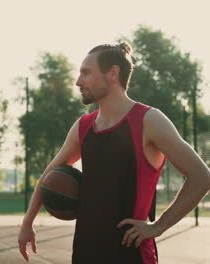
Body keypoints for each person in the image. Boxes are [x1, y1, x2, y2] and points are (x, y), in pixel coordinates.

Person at [17, 42, 210, 264]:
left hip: (131, 255)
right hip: (85, 253)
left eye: (86, 73)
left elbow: (201, 176)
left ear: (113, 73)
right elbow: (48, 177)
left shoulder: (149, 120)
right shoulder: (83, 127)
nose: (78, 81)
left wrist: (159, 226)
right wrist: (27, 222)